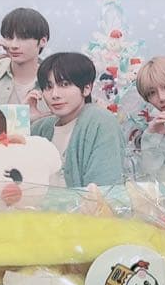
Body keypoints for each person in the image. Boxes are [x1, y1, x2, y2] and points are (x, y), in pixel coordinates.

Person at [31, 52, 125, 188]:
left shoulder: (100, 122)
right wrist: (26, 123)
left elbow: (103, 188)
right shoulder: (40, 127)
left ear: (87, 88)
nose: (55, 95)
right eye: (48, 87)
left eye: (64, 84)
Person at [0, 7, 53, 120]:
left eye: (23, 38)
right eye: (9, 38)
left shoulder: (54, 79)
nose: (14, 45)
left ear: (43, 41)